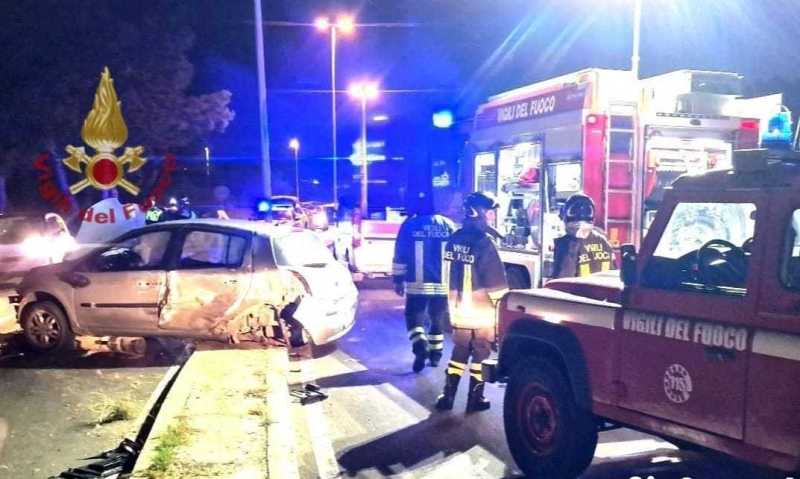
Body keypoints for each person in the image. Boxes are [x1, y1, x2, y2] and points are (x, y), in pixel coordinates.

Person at [435, 192, 508, 412]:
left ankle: (448, 396)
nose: (492, 216)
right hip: (481, 312)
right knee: (480, 353)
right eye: (490, 212)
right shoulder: (484, 243)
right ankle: (475, 399)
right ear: (480, 213)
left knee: (459, 351)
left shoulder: (454, 239)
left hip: (458, 309)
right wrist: (502, 312)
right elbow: (496, 284)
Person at [392, 191, 456, 372]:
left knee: (413, 318)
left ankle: (420, 346)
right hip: (443, 283)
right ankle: (436, 356)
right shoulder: (449, 225)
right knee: (437, 319)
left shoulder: (410, 225)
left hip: (417, 283)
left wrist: (398, 279)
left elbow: (400, 253)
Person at [552, 193, 614, 278]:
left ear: (565, 217)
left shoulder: (565, 244)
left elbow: (562, 279)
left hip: (579, 286)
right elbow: (613, 271)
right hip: (602, 286)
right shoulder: (603, 241)